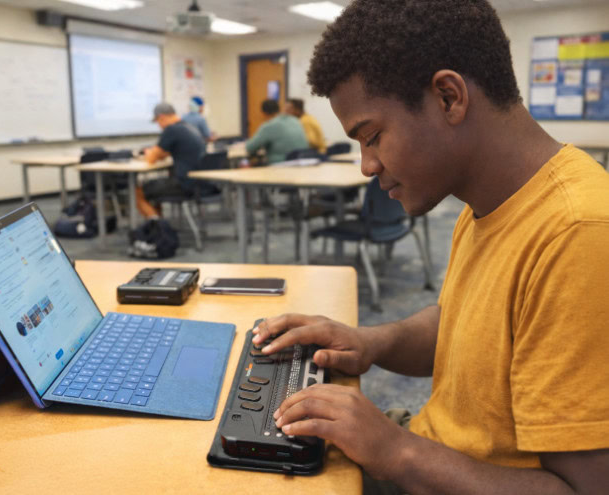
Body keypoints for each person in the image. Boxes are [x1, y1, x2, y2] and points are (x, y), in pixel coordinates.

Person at [251, 1, 609, 494]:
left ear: (448, 97)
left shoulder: (580, 234)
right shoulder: (489, 200)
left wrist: (396, 452)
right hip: (433, 454)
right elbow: (464, 325)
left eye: (372, 137)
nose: (367, 165)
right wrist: (371, 343)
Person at [135, 102, 206, 218]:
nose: (159, 126)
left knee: (138, 192)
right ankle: (158, 223)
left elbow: (151, 159)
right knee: (154, 188)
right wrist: (157, 153)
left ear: (161, 117)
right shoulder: (188, 127)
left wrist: (149, 152)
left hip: (184, 184)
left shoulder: (171, 130)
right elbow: (166, 152)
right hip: (199, 183)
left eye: (158, 122)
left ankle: (158, 228)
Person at [244, 99, 310, 164]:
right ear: (279, 109)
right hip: (302, 162)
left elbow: (250, 148)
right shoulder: (295, 120)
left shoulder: (269, 126)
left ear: (264, 113)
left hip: (281, 165)